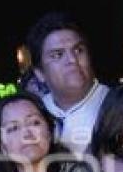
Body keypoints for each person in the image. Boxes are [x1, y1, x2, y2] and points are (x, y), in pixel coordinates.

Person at [26, 12, 109, 155]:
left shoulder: (118, 105)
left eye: (78, 50)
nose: (72, 60)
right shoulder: (33, 112)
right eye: (58, 55)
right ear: (40, 73)